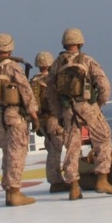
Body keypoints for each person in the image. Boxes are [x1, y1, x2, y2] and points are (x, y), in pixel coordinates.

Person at [46, 27, 112, 200]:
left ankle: (73, 187)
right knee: (103, 138)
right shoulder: (87, 60)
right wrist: (98, 104)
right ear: (80, 42)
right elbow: (104, 85)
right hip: (87, 107)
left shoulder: (57, 64)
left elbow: (50, 92)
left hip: (68, 111)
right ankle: (102, 179)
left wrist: (59, 113)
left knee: (72, 147)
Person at [0, 33, 39, 207]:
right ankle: (15, 192)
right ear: (10, 47)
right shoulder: (13, 67)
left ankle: (8, 192)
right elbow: (26, 91)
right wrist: (34, 115)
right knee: (17, 153)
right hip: (14, 115)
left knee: (6, 154)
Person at [29, 50, 68, 193]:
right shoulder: (51, 80)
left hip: (41, 120)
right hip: (53, 119)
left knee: (51, 149)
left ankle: (55, 180)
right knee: (56, 149)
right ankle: (57, 181)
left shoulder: (32, 82)